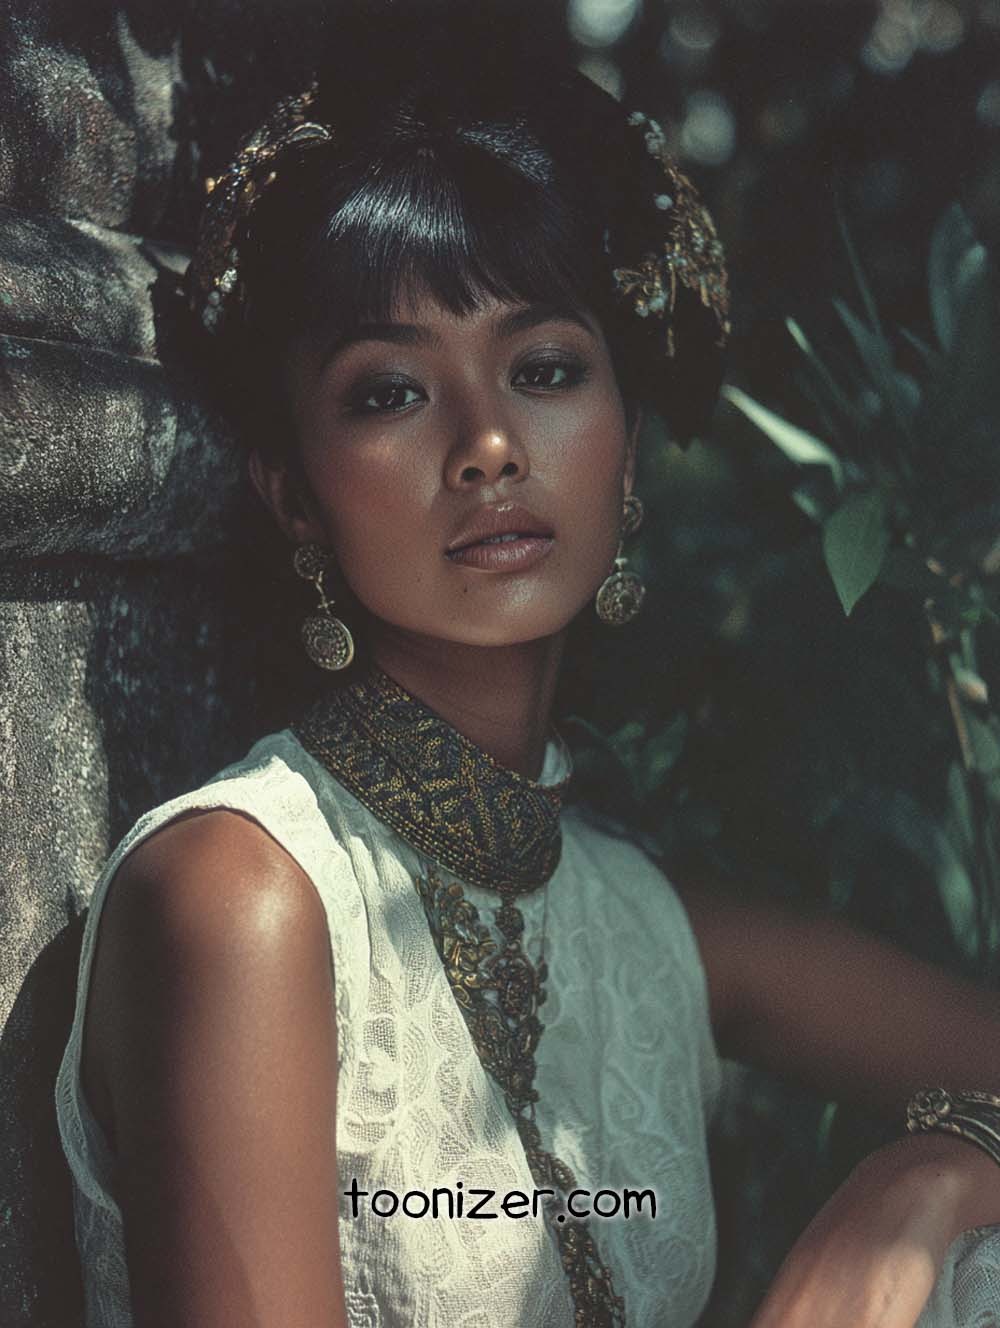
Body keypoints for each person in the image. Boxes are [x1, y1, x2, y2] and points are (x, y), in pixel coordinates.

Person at [54, 9, 1000, 1327]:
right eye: (391, 392)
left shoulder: (643, 922)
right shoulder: (243, 897)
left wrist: (930, 1177)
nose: (490, 443)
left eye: (546, 369)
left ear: (622, 453)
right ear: (293, 496)